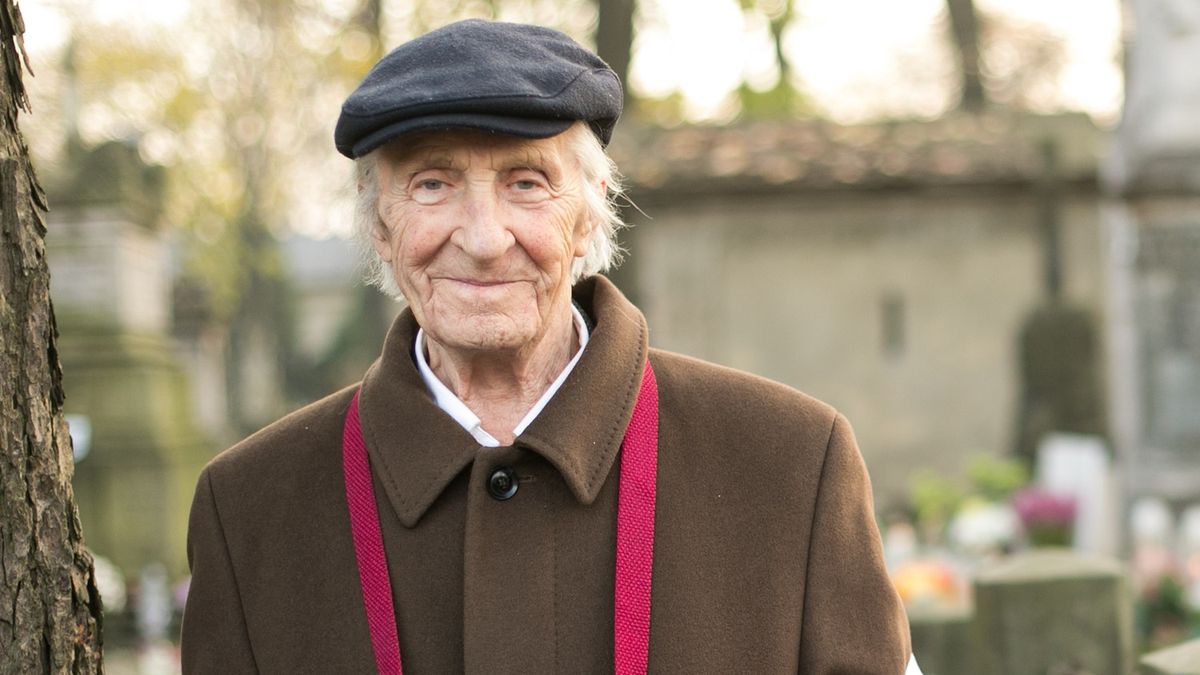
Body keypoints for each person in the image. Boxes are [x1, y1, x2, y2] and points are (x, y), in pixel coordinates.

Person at [181, 19, 918, 674]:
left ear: (590, 217)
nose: (481, 237)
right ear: (380, 226)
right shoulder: (248, 511)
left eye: (526, 182)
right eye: (432, 184)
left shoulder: (790, 465)